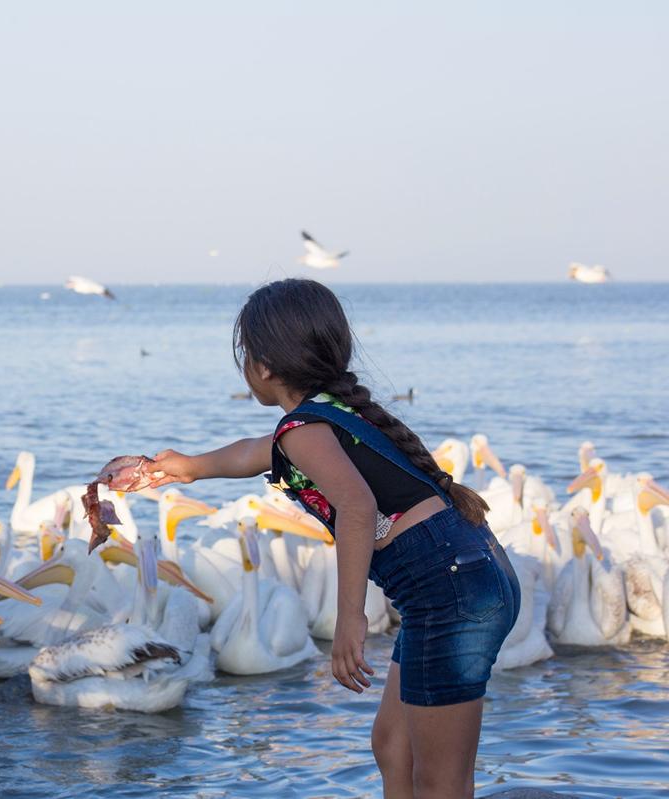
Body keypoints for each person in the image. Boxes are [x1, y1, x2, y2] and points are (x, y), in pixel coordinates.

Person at [148, 278, 520, 799]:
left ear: (262, 367)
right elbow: (250, 452)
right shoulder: (324, 416)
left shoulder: (303, 428)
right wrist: (185, 468)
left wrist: (351, 618)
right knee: (393, 746)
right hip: (458, 577)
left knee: (441, 781)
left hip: (448, 588)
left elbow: (357, 505)